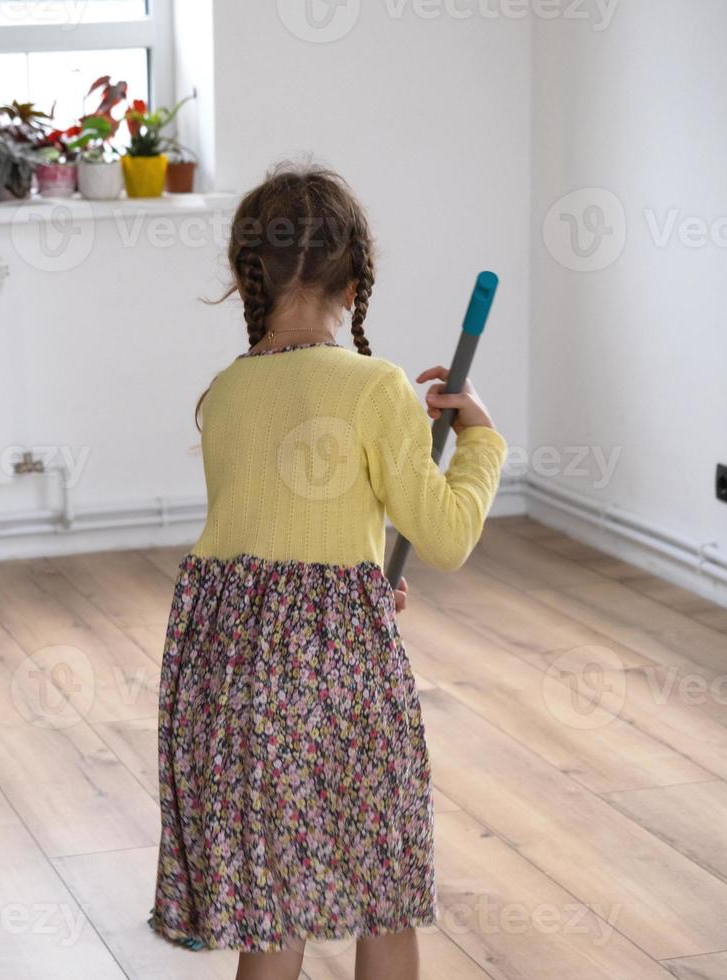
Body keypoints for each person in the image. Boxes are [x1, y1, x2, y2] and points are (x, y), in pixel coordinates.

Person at [149, 164, 506, 980]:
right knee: (379, 888)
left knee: (273, 915)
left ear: (251, 273)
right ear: (354, 280)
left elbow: (274, 538)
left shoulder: (228, 392)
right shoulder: (375, 386)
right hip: (335, 686)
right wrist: (481, 437)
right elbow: (446, 536)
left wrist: (365, 586)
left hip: (227, 682)